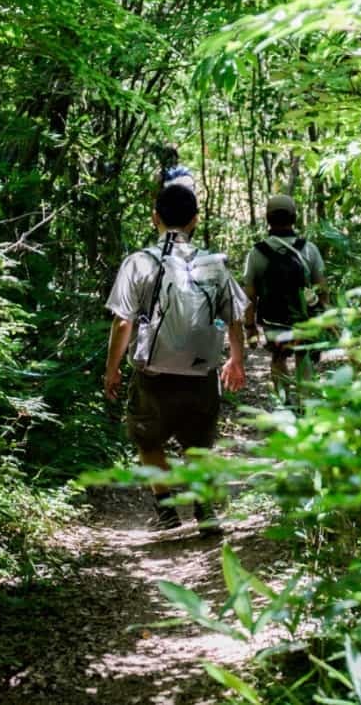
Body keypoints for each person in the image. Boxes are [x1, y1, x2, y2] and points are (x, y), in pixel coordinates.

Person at [104, 184, 247, 534]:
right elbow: (236, 317)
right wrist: (236, 360)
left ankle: (167, 509)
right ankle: (204, 507)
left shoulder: (139, 261)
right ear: (196, 220)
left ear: (155, 217)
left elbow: (123, 321)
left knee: (147, 440)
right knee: (198, 443)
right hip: (201, 374)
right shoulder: (214, 265)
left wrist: (111, 370)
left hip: (153, 374)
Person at [243, 194, 327, 404]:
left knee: (278, 357)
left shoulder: (257, 253)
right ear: (294, 218)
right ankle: (305, 404)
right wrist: (325, 317)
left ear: (268, 219)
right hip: (304, 317)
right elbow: (322, 288)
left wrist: (250, 326)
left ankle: (284, 401)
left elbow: (250, 295)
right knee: (303, 357)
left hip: (273, 320)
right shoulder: (309, 249)